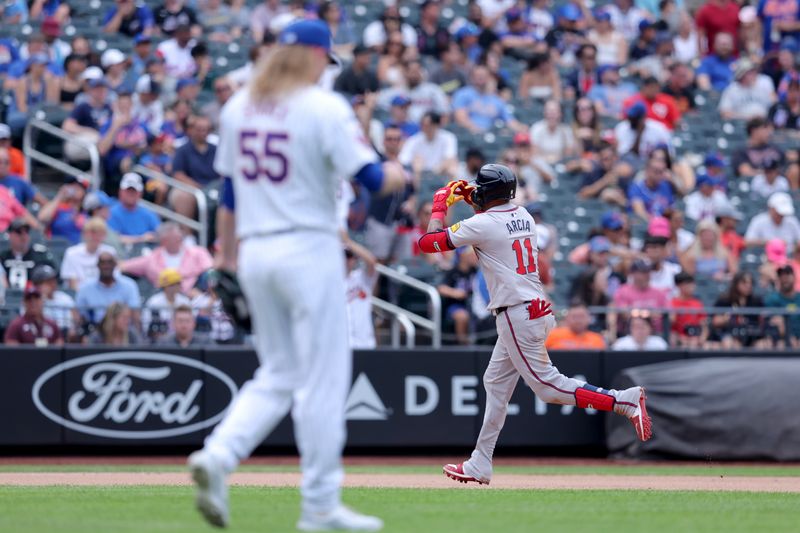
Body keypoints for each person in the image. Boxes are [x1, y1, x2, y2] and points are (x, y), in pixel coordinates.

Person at [187, 20, 406, 531]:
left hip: (257, 252)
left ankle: (218, 455)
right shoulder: (322, 106)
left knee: (279, 372)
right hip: (308, 248)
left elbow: (230, 195)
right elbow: (373, 180)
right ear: (312, 55)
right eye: (323, 58)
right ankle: (320, 506)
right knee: (323, 383)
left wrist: (225, 260)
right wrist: (400, 171)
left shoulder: (239, 107)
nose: (323, 68)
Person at [415, 164, 651, 488]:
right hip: (535, 308)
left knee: (547, 387)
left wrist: (441, 204)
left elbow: (428, 243)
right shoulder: (524, 214)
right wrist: (472, 194)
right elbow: (490, 213)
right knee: (495, 382)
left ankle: (621, 399)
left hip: (517, 313)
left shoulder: (483, 223)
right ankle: (480, 462)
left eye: (481, 189)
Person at [120, 221, 213, 293]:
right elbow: (124, 266)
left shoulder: (198, 253)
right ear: (164, 241)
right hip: (164, 299)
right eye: (175, 238)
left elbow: (211, 269)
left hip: (196, 295)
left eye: (179, 237)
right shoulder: (152, 259)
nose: (179, 239)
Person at [75, 251, 141, 325]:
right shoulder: (85, 287)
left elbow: (135, 314)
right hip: (95, 329)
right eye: (103, 263)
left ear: (115, 264)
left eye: (109, 262)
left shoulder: (129, 285)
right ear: (97, 265)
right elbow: (80, 315)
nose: (106, 266)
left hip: (123, 330)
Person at [60, 217, 117, 291]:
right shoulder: (71, 253)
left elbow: (115, 277)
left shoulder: (110, 252)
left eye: (100, 234)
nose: (96, 237)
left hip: (106, 293)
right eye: (93, 233)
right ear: (85, 234)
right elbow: (72, 283)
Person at [438, 246, 479, 345]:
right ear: (462, 256)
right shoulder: (453, 271)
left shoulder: (475, 271)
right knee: (462, 316)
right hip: (456, 305)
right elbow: (441, 288)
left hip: (474, 304)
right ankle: (463, 344)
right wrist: (455, 293)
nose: (474, 257)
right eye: (471, 255)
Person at [0, 218, 57, 290]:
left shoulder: (41, 255)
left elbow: (54, 278)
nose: (23, 236)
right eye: (19, 232)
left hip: (35, 297)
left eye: (26, 232)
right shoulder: (3, 257)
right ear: (10, 235)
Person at [108, 172, 161, 245]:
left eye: (134, 191)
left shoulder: (148, 213)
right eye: (128, 190)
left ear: (140, 193)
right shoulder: (111, 213)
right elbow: (112, 239)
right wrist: (141, 239)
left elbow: (159, 233)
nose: (131, 194)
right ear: (120, 191)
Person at [142, 268, 192, 342]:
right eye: (173, 284)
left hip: (181, 338)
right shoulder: (154, 302)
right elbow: (147, 327)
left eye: (178, 283)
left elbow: (191, 323)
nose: (176, 286)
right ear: (165, 286)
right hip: (159, 340)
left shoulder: (184, 301)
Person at [31, 263, 78, 340]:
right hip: (41, 334)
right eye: (48, 281)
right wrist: (42, 298)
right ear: (37, 285)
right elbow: (29, 321)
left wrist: (73, 329)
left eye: (53, 280)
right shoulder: (31, 299)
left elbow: (76, 317)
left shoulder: (64, 297)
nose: (52, 283)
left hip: (65, 333)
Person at [344, 247, 378, 350]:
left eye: (350, 256)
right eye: (344, 256)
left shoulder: (362, 277)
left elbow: (372, 261)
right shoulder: (331, 282)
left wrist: (348, 242)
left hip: (365, 343)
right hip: (342, 345)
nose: (347, 260)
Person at [529, 99, 578, 164]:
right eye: (549, 111)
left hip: (561, 165)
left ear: (560, 113)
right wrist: (549, 160)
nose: (551, 114)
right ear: (544, 113)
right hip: (541, 165)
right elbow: (534, 154)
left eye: (555, 111)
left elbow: (568, 156)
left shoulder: (566, 130)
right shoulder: (536, 128)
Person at [765, 265, 800, 347]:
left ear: (794, 277)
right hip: (781, 339)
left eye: (787, 274)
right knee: (780, 345)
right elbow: (775, 321)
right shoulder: (772, 299)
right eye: (781, 276)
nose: (784, 278)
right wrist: (789, 337)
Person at [669, 272, 706, 348]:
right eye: (688, 284)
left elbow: (704, 325)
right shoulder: (672, 303)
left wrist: (702, 338)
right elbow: (671, 325)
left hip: (695, 337)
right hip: (678, 337)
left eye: (692, 284)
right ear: (679, 286)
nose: (692, 287)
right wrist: (680, 338)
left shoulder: (697, 303)